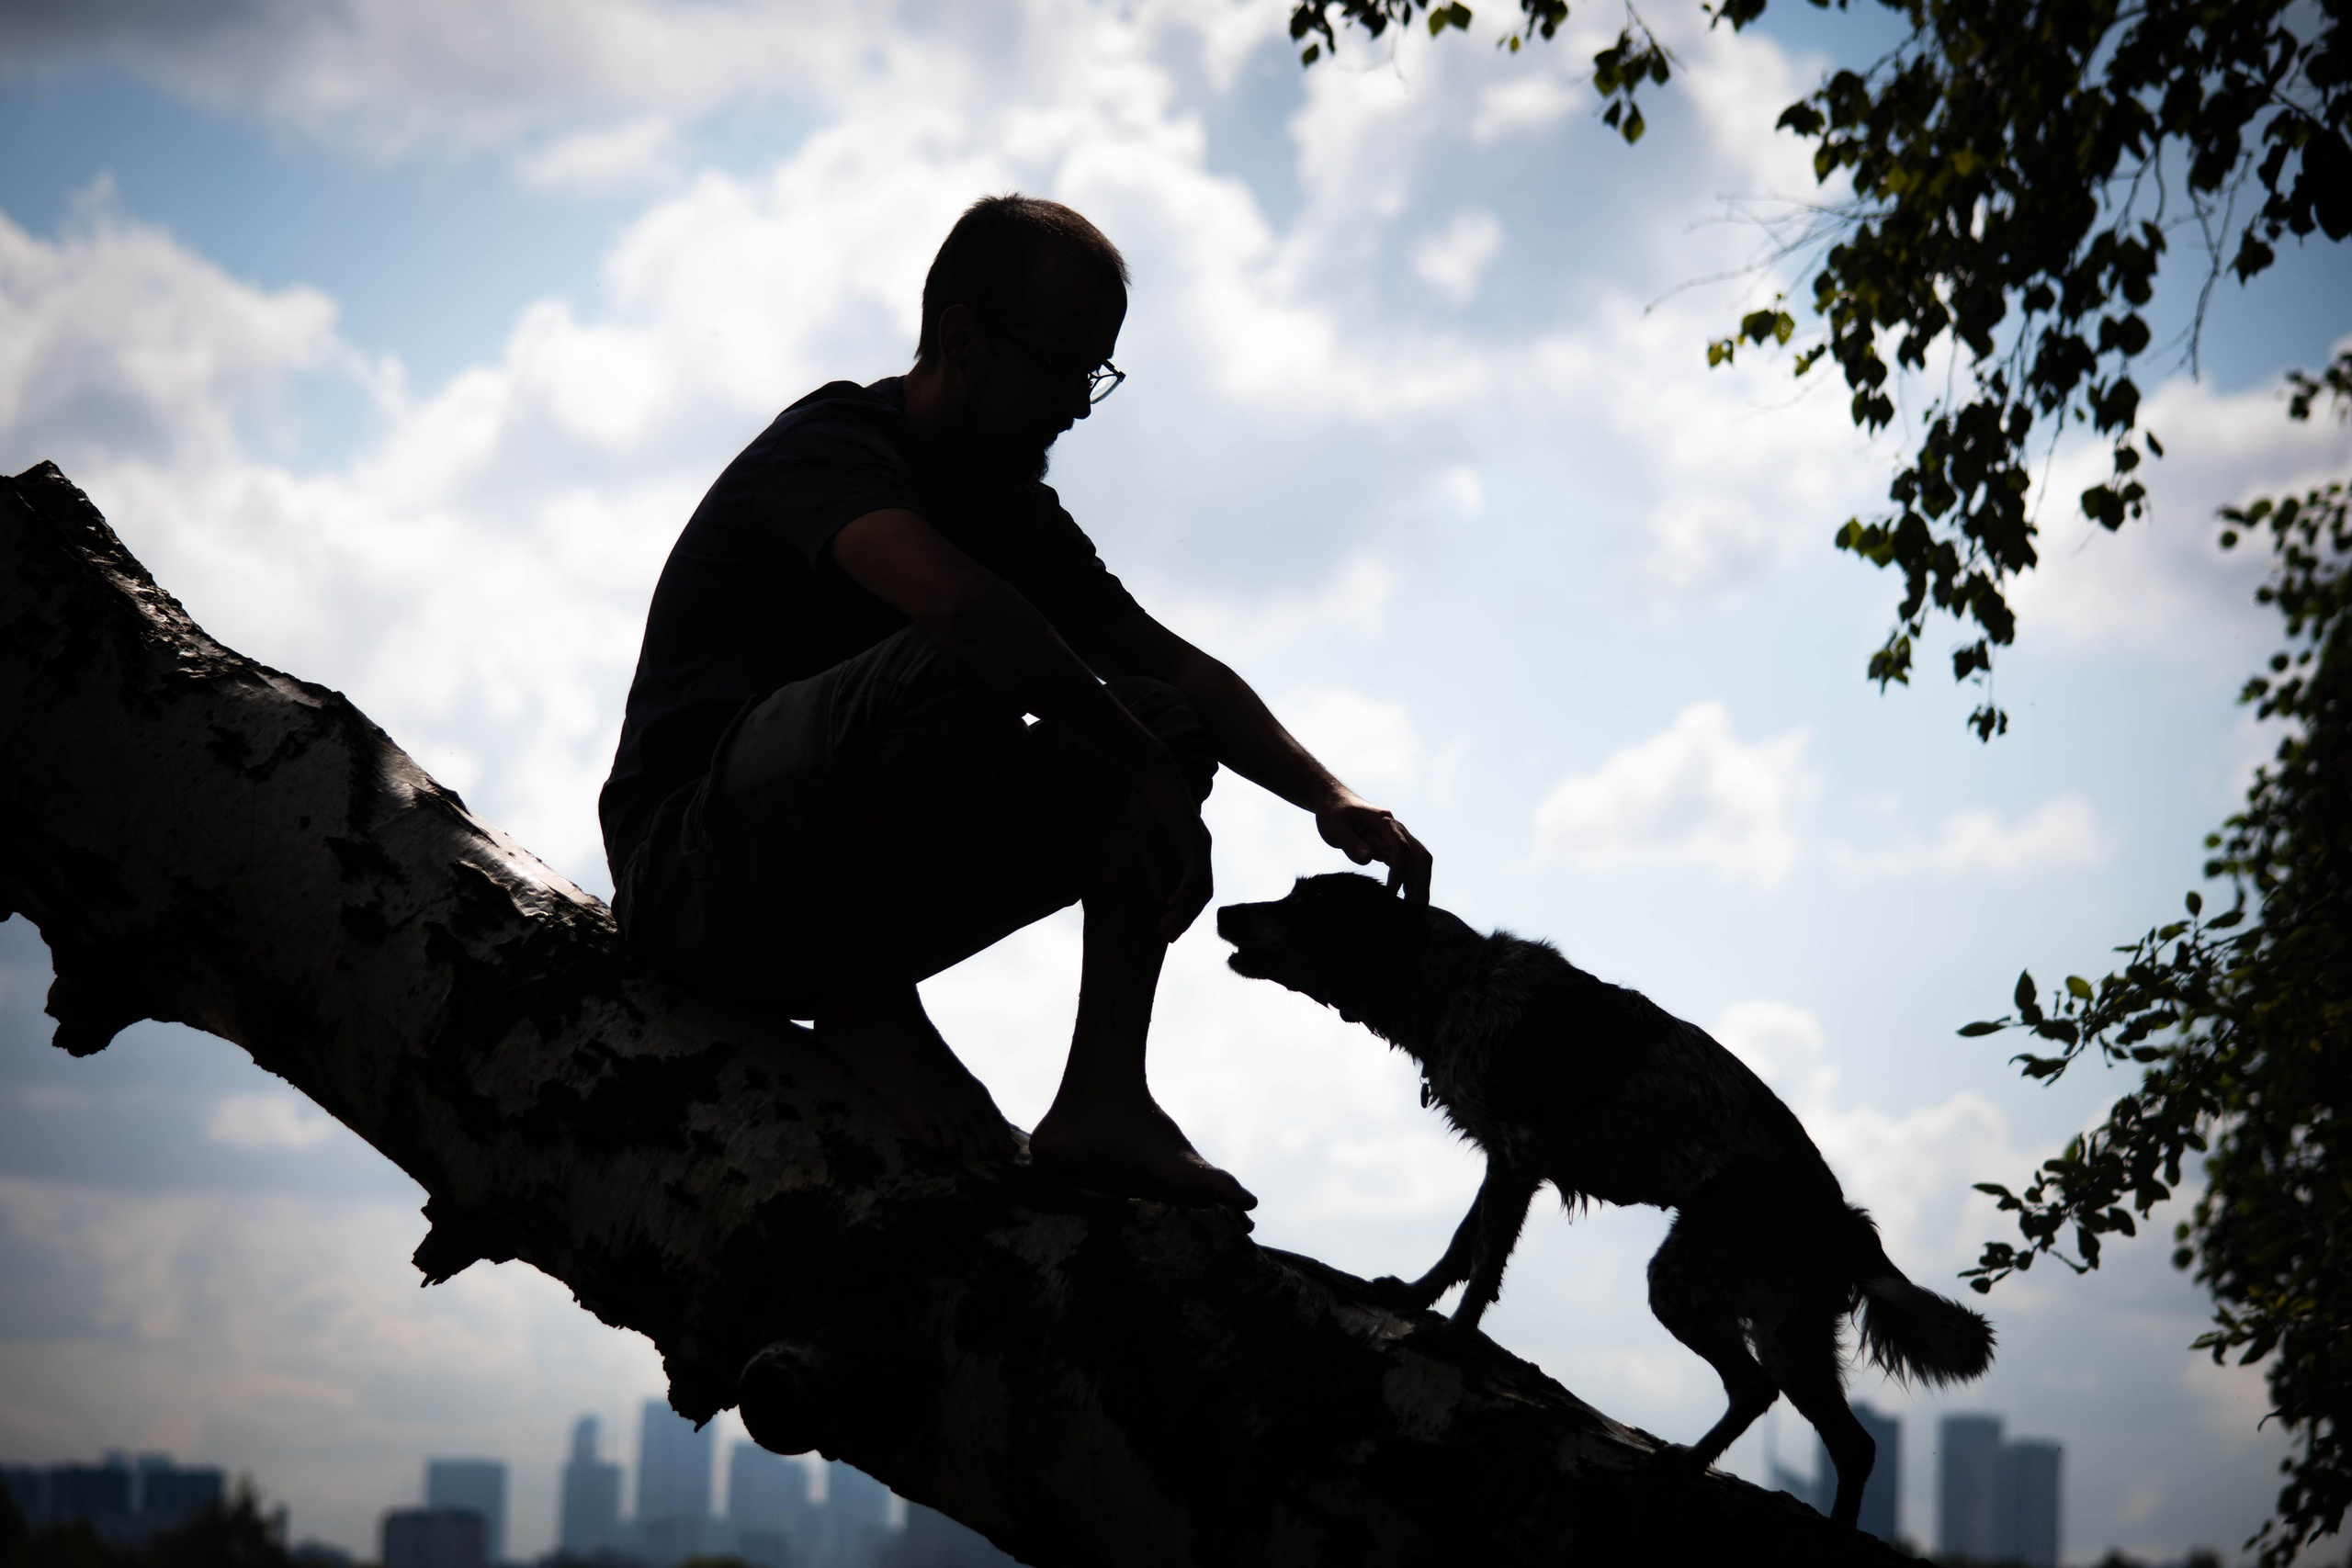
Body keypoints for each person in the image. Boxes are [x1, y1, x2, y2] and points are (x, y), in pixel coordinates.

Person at [600, 195, 1430, 1211]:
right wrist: (1139, 767)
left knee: (1156, 718)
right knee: (975, 651)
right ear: (961, 337)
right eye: (1062, 368)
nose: (1078, 407)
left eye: (1097, 376)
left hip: (826, 907)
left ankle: (1101, 1102)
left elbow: (1179, 674)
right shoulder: (830, 444)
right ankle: (866, 1004)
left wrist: (1327, 795)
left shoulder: (1014, 516)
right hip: (693, 880)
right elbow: (959, 611)